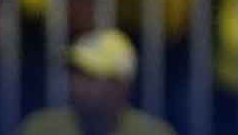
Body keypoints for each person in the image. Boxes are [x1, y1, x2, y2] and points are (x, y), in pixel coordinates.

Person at [19, 28, 176, 135]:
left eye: (90, 75)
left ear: (121, 85)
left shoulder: (153, 133)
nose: (77, 84)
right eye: (75, 73)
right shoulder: (41, 129)